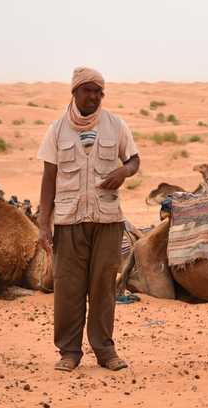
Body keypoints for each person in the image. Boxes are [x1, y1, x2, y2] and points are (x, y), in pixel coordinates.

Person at [37, 67, 140, 373]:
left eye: (98, 91)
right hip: (69, 220)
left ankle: (105, 351)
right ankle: (69, 352)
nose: (93, 97)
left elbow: (133, 159)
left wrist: (124, 171)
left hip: (108, 219)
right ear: (75, 93)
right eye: (88, 91)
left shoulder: (116, 125)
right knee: (68, 288)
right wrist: (44, 223)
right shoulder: (56, 130)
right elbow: (48, 178)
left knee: (103, 288)